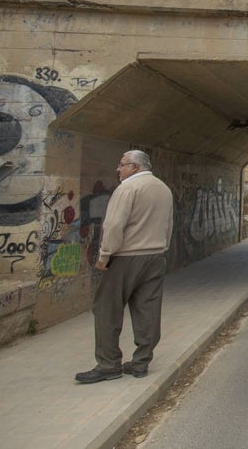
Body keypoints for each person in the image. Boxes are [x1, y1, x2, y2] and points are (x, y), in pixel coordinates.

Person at [75, 150, 174, 384]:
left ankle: (108, 365)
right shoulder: (163, 188)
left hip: (127, 256)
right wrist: (163, 247)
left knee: (106, 308)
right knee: (147, 309)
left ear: (135, 167)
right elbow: (168, 223)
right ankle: (141, 363)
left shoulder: (128, 188)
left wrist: (104, 255)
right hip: (155, 255)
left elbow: (114, 224)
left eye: (122, 165)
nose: (118, 170)